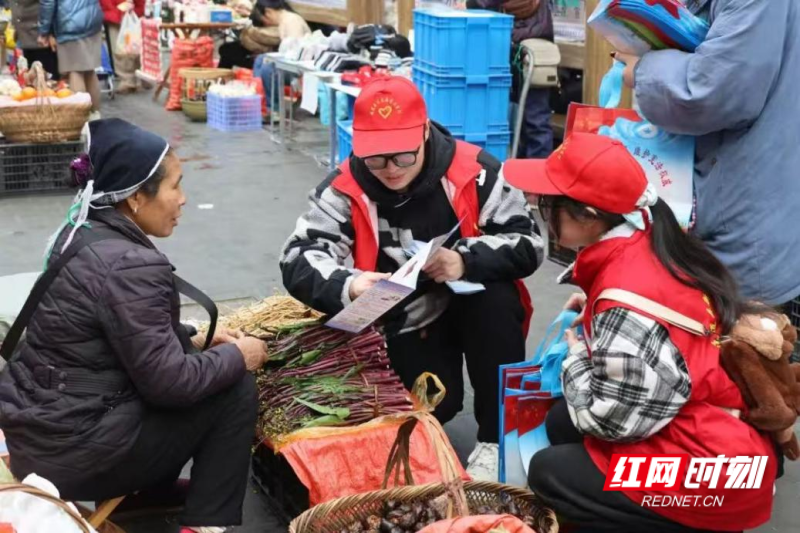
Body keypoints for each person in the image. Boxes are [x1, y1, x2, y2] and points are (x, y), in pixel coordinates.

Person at [0, 119, 269, 533]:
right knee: (234, 389)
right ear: (137, 197)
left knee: (196, 361)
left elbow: (114, 335)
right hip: (73, 455)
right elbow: (171, 384)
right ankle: (205, 524)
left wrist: (195, 336)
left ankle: (148, 496)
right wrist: (239, 355)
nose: (183, 199)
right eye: (175, 186)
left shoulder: (79, 228)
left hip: (38, 435)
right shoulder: (130, 263)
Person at [502, 132, 777, 532]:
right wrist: (596, 313)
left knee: (549, 472)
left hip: (721, 473)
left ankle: (686, 523)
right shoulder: (646, 235)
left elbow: (609, 421)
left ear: (588, 216)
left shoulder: (625, 301)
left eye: (547, 204)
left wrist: (576, 356)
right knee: (562, 421)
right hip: (721, 439)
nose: (541, 212)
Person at [281, 76, 543, 480]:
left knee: (496, 300)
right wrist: (350, 285)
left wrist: (464, 260)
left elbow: (529, 243)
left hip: (474, 304)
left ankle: (496, 440)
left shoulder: (476, 171)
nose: (390, 170)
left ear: (423, 133)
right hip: (404, 316)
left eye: (403, 157)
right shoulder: (343, 187)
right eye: (376, 159)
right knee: (436, 405)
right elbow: (298, 257)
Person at [613, 0, 800, 315]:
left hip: (743, 214)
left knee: (739, 334)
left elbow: (712, 92)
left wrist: (644, 70)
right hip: (743, 199)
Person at [467, 0, 554, 158]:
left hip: (524, 40)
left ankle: (535, 169)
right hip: (526, 38)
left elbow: (478, 3)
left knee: (532, 120)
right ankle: (530, 167)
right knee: (529, 120)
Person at [39, 0, 104, 117]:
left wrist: (44, 31)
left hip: (70, 23)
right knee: (89, 71)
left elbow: (48, 2)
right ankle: (95, 114)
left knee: (75, 71)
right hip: (92, 17)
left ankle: (80, 118)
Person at [252, 0, 310, 114]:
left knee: (268, 69)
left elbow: (296, 53)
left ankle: (273, 109)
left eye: (264, 21)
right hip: (291, 61)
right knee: (260, 60)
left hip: (301, 67)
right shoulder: (284, 21)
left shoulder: (292, 21)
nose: (267, 24)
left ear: (268, 12)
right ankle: (261, 102)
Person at [100, 0, 144, 93]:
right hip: (115, 15)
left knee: (130, 49)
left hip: (126, 14)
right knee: (121, 50)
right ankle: (128, 79)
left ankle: (131, 79)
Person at [9, 0, 60, 80]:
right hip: (23, 37)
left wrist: (45, 31)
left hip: (41, 39)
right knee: (27, 80)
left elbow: (48, 2)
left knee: (46, 80)